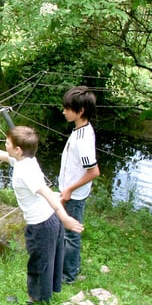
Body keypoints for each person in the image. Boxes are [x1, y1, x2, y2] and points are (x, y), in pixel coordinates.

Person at [0, 125, 83, 304]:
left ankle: (38, 303)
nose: (5, 145)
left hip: (42, 224)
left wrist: (66, 218)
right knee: (47, 260)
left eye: (7, 143)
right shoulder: (24, 160)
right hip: (48, 220)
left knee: (38, 264)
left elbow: (48, 194)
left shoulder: (25, 172)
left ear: (18, 149)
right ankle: (44, 297)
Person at [59, 86, 100, 284]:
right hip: (70, 191)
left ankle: (68, 276)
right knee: (67, 233)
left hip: (74, 195)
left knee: (71, 235)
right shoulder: (80, 130)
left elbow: (94, 172)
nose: (64, 111)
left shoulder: (83, 140)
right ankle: (69, 268)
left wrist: (68, 189)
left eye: (67, 108)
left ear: (80, 111)